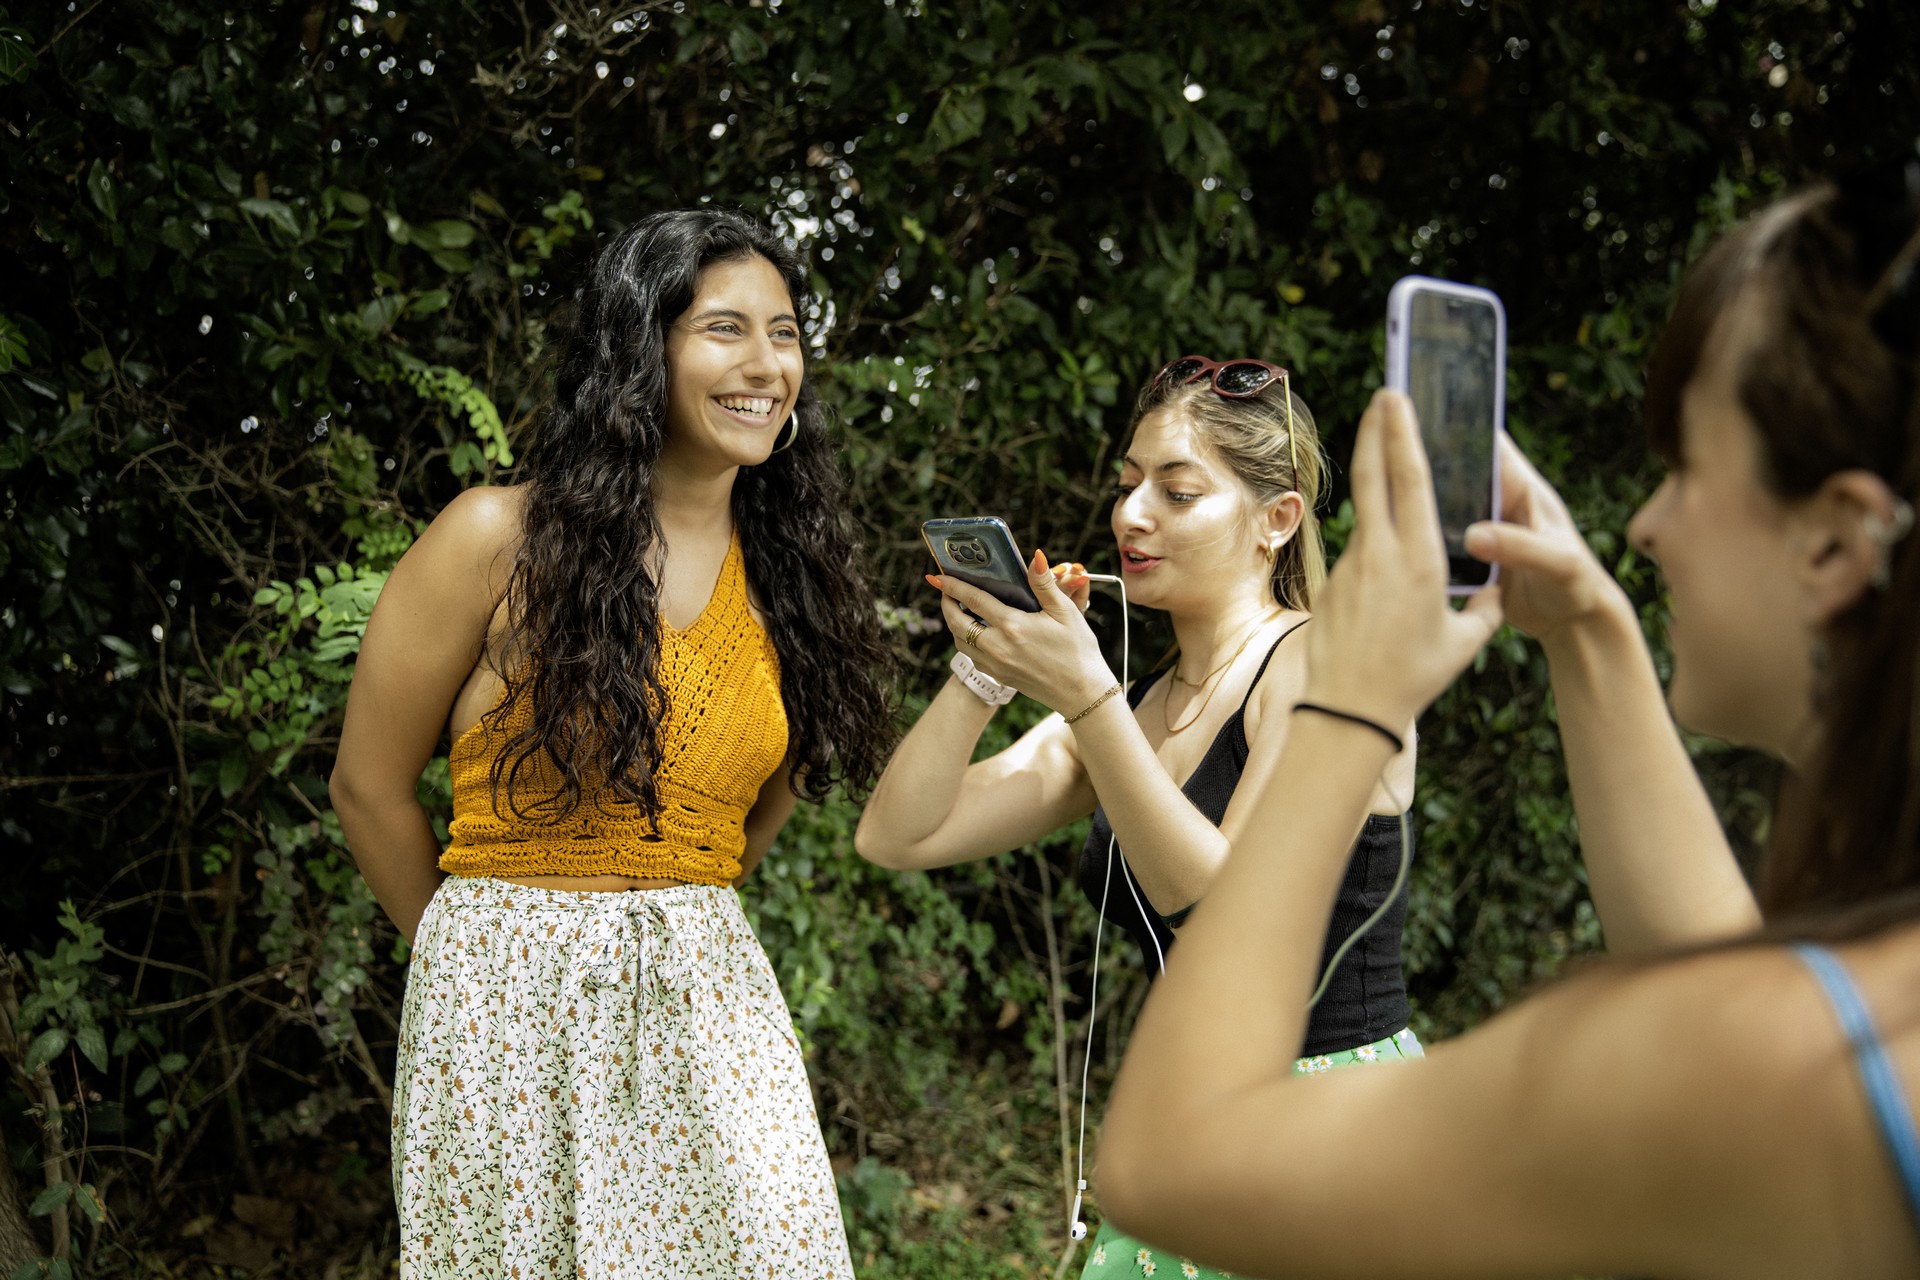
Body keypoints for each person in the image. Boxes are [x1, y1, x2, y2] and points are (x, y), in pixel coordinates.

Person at [1097, 152, 1920, 1278]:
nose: (1642, 524)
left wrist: (1352, 699)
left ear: (1834, 539)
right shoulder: (1852, 1020)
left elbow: (1169, 1165)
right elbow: (1730, 982)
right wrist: (1590, 633)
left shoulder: (1789, 1065)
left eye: (1683, 466)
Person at [327, 207, 895, 1279]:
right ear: (643, 346)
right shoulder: (495, 539)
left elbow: (750, 813)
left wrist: (668, 919)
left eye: (785, 332)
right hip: (499, 1012)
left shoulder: (794, 586)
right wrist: (470, 960)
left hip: (711, 1010)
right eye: (725, 328)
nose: (767, 364)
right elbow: (366, 786)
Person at [854, 357, 1420, 1278]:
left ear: (1277, 520)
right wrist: (986, 672)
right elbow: (899, 835)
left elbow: (1220, 905)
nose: (1132, 515)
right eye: (1127, 485)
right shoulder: (1139, 708)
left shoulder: (1324, 665)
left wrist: (1087, 699)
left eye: (1178, 491)